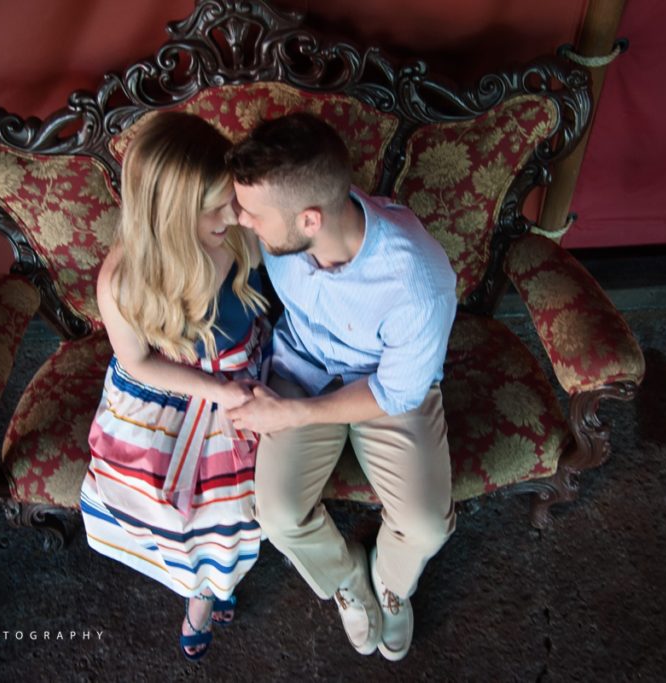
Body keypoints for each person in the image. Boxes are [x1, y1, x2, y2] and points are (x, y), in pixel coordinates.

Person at [224, 112, 457, 661]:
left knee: (426, 526)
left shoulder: (418, 283)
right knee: (277, 514)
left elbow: (397, 393)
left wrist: (293, 417)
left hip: (384, 391)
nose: (242, 220)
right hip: (302, 367)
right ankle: (347, 576)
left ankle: (393, 586)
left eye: (252, 214)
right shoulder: (288, 227)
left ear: (309, 220)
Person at [79, 112, 270, 661]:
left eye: (228, 197)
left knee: (233, 509)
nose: (232, 213)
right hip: (164, 390)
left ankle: (217, 584)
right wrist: (213, 393)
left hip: (237, 373)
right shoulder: (122, 278)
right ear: (167, 216)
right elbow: (136, 361)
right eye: (214, 207)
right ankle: (199, 591)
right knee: (158, 497)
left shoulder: (234, 236)